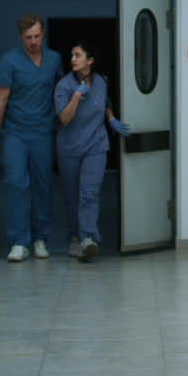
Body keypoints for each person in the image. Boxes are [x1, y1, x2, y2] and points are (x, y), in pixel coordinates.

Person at [0, 14, 61, 262]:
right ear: (20, 37)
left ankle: (40, 238)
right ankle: (19, 241)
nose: (34, 41)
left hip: (43, 133)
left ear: (43, 34)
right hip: (15, 133)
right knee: (16, 183)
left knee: (43, 185)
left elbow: (60, 94)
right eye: (28, 37)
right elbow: (0, 102)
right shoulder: (9, 61)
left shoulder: (54, 59)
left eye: (37, 36)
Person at [54, 41, 129, 262]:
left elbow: (104, 102)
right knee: (72, 198)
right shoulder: (64, 86)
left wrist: (112, 119)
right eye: (72, 55)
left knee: (89, 193)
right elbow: (64, 119)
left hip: (95, 146)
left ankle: (88, 238)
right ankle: (74, 237)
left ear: (90, 60)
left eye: (78, 55)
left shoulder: (101, 82)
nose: (73, 59)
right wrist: (76, 96)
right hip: (69, 149)